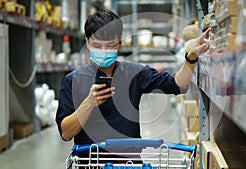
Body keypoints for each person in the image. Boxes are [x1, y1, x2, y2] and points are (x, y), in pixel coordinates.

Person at [55, 9, 210, 164]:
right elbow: (66, 133)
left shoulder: (134, 74)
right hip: (90, 163)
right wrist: (89, 103)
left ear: (120, 43)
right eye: (97, 45)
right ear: (87, 43)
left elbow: (178, 84)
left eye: (109, 45)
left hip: (129, 163)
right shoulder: (72, 81)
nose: (103, 51)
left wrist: (191, 57)